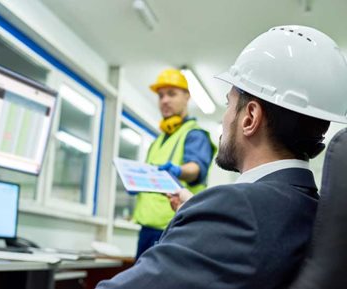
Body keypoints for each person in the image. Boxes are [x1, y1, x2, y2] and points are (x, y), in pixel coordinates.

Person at [97, 25, 347, 289]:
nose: (224, 118)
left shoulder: (236, 211)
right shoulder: (313, 211)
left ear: (250, 117)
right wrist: (200, 222)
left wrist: (209, 218)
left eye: (228, 104)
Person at [132, 68, 216, 259]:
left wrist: (178, 170)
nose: (164, 100)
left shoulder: (194, 134)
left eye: (172, 94)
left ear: (187, 96)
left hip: (173, 229)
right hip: (147, 229)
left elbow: (196, 168)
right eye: (161, 96)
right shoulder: (158, 140)